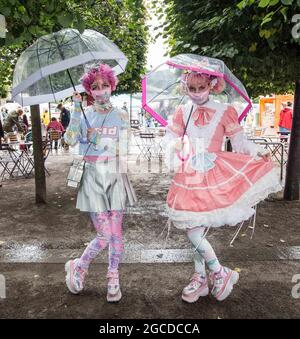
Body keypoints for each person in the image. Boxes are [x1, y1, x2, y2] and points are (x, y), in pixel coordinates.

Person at [163, 71, 282, 303]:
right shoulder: (182, 112)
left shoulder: (224, 110)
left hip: (216, 171)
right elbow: (170, 139)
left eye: (201, 88)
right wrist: (175, 145)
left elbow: (238, 141)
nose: (197, 93)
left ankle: (217, 272)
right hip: (189, 173)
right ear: (185, 87)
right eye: (192, 89)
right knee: (193, 226)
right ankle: (201, 278)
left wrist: (256, 152)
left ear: (211, 84)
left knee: (195, 230)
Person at [64, 64, 136, 302]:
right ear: (88, 89)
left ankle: (113, 276)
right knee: (104, 234)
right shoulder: (84, 113)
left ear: (112, 85)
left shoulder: (121, 115)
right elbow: (69, 139)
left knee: (116, 234)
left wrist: (103, 141)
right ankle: (80, 265)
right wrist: (75, 111)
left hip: (114, 174)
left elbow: (125, 148)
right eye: (95, 87)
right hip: (92, 176)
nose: (101, 90)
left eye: (105, 85)